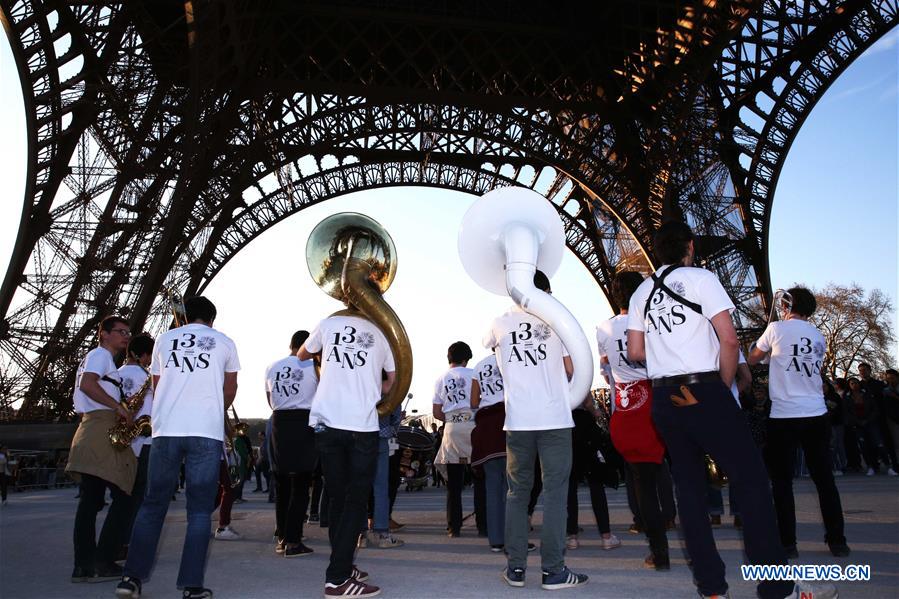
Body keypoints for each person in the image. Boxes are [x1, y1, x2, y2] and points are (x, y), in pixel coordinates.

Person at [627, 221, 834, 599]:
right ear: (690, 246)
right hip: (703, 388)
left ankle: (711, 587)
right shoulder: (703, 278)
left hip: (664, 398)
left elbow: (636, 353)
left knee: (688, 490)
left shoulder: (641, 292)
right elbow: (728, 339)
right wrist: (721, 388)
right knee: (751, 481)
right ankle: (776, 586)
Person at [116, 296, 240, 599]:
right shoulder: (224, 342)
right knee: (199, 512)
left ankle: (131, 579)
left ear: (186, 317)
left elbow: (158, 385)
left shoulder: (163, 340)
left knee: (152, 505)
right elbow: (230, 388)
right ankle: (192, 586)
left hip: (166, 431)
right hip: (205, 434)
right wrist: (213, 410)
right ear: (212, 319)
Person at [485, 270, 588, 591]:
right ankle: (553, 571)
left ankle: (515, 568)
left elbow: (497, 360)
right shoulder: (558, 320)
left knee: (517, 493)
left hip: (518, 419)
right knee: (556, 494)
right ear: (547, 291)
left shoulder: (499, 322)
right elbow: (574, 369)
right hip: (555, 416)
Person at [298, 301, 396, 598]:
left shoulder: (328, 324)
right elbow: (390, 383)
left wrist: (328, 363)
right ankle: (337, 579)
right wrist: (367, 386)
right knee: (355, 503)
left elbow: (302, 354)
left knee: (338, 499)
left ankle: (343, 562)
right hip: (361, 426)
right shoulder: (381, 333)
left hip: (327, 423)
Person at [749, 286, 850, 558]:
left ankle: (788, 542)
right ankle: (837, 540)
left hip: (784, 414)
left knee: (782, 482)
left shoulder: (775, 329)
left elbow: (753, 358)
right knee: (824, 480)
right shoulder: (818, 336)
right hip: (816, 412)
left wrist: (766, 351)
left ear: (786, 305)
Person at [596, 271, 667, 569]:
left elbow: (606, 369)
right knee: (678, 477)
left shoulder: (603, 328)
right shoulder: (653, 322)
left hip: (625, 411)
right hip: (657, 402)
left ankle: (659, 552)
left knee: (643, 486)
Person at [66, 316, 136, 583]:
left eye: (128, 332)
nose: (126, 336)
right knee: (124, 496)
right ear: (104, 334)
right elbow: (87, 384)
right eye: (120, 331)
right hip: (100, 428)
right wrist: (118, 407)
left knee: (92, 500)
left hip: (93, 428)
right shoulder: (99, 355)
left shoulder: (103, 359)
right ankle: (102, 559)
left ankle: (85, 565)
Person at [267, 330, 319, 557]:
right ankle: (293, 541)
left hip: (279, 422)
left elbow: (270, 400)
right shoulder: (313, 367)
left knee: (282, 485)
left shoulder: (272, 367)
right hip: (303, 422)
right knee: (301, 485)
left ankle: (281, 536)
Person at [433, 341, 479, 538]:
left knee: (454, 484)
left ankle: (454, 527)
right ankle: (484, 524)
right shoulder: (474, 374)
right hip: (473, 427)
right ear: (466, 359)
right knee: (481, 478)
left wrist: (453, 418)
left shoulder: (440, 379)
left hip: (452, 428)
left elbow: (436, 412)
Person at [565, 396, 620, 552]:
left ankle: (572, 536)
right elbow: (587, 401)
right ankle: (606, 536)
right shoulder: (578, 372)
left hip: (565, 425)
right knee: (596, 483)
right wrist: (595, 412)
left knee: (570, 485)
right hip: (585, 426)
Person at [119, 334, 156, 549]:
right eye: (149, 356)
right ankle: (131, 540)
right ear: (139, 354)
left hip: (124, 441)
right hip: (145, 441)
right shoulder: (148, 377)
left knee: (124, 494)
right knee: (141, 494)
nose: (150, 361)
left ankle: (120, 538)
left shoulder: (115, 374)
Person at [471, 351, 508, 551]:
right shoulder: (510, 358)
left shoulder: (479, 365)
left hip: (486, 424)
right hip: (507, 419)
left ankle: (496, 539)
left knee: (492, 489)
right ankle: (514, 538)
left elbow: (474, 402)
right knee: (513, 488)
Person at [366, 404, 405, 548]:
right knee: (381, 487)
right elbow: (395, 414)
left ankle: (360, 535)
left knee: (360, 486)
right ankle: (382, 534)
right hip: (381, 434)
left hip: (358, 434)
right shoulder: (386, 380)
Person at [857, 363, 898, 475]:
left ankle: (893, 465)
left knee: (886, 443)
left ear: (870, 370)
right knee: (869, 444)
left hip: (881, 418)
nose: (862, 372)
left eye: (865, 370)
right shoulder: (858, 385)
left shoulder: (879, 385)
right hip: (865, 419)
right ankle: (873, 466)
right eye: (860, 370)